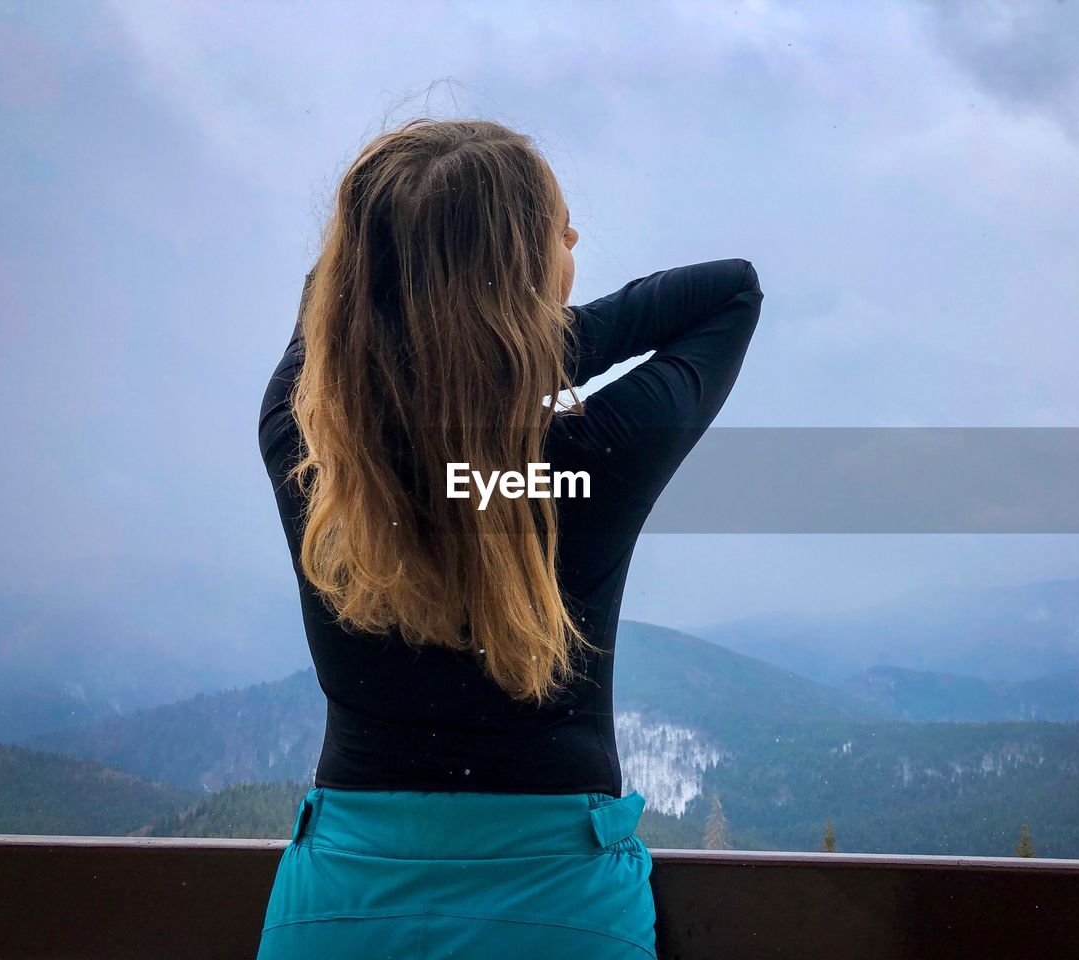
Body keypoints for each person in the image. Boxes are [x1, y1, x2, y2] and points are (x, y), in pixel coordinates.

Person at [255, 116, 763, 959]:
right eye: (557, 233)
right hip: (557, 918)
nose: (575, 241)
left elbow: (328, 303)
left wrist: (456, 342)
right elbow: (729, 291)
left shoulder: (312, 459)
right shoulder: (595, 455)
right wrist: (512, 357)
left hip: (338, 916)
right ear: (521, 277)